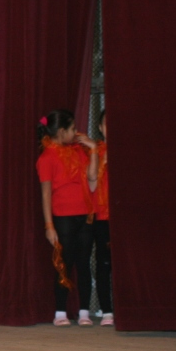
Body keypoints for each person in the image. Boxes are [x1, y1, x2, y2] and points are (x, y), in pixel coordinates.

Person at [36, 109, 99, 326]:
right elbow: (46, 193)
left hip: (85, 213)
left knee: (84, 264)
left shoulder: (79, 151)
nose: (76, 132)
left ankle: (84, 312)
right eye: (72, 129)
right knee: (64, 263)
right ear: (62, 131)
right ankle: (60, 312)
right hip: (63, 217)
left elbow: (92, 178)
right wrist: (49, 225)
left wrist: (93, 150)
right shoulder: (46, 157)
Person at [93, 110, 113, 326]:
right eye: (106, 123)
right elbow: (90, 181)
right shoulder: (95, 151)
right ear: (100, 128)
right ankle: (106, 310)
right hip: (101, 215)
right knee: (103, 263)